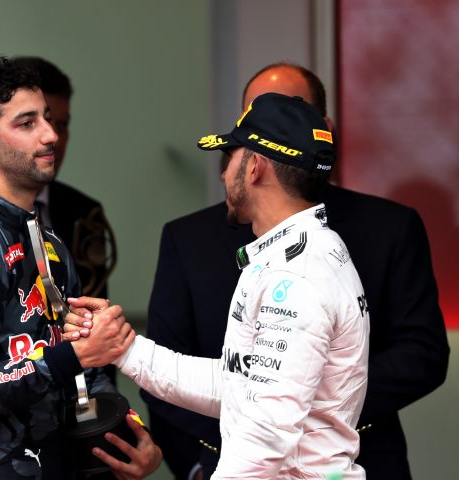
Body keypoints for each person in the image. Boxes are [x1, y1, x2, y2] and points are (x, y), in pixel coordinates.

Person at [142, 62, 450, 479]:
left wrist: (322, 400)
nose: (225, 163)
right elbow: (235, 381)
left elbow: (423, 354)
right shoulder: (193, 238)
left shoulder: (334, 250)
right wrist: (125, 350)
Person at [67, 92, 371, 479]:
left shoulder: (295, 276)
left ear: (256, 167)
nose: (224, 172)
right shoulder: (298, 254)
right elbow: (240, 388)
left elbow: (265, 436)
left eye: (230, 157)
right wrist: (123, 348)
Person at [0, 56, 161, 479]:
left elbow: (86, 375)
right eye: (27, 123)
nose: (50, 135)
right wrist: (69, 357)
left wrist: (130, 435)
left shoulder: (50, 244)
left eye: (49, 119)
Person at [0, 56, 115, 299]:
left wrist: (99, 329)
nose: (52, 136)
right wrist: (87, 340)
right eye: (27, 123)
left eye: (54, 121)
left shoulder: (53, 235)